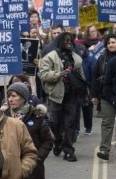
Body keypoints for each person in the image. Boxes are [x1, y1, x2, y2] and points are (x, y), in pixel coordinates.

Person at [39, 32, 85, 162]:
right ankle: (58, 140)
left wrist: (85, 93)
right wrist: (59, 74)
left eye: (71, 40)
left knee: (69, 124)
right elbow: (43, 74)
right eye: (66, 41)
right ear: (60, 41)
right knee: (54, 122)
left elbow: (81, 77)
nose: (69, 43)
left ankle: (69, 150)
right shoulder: (50, 57)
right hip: (55, 95)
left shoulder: (76, 58)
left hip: (72, 95)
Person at [1, 82, 53, 179]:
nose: (10, 99)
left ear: (23, 98)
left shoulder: (36, 116)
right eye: (8, 96)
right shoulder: (3, 117)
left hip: (32, 168)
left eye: (14, 96)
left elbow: (48, 141)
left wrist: (38, 158)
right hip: (9, 167)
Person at [93, 34, 116, 160]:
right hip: (107, 96)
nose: (111, 45)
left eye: (113, 42)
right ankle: (104, 150)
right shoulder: (102, 58)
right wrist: (94, 95)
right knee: (107, 123)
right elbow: (95, 76)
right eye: (108, 43)